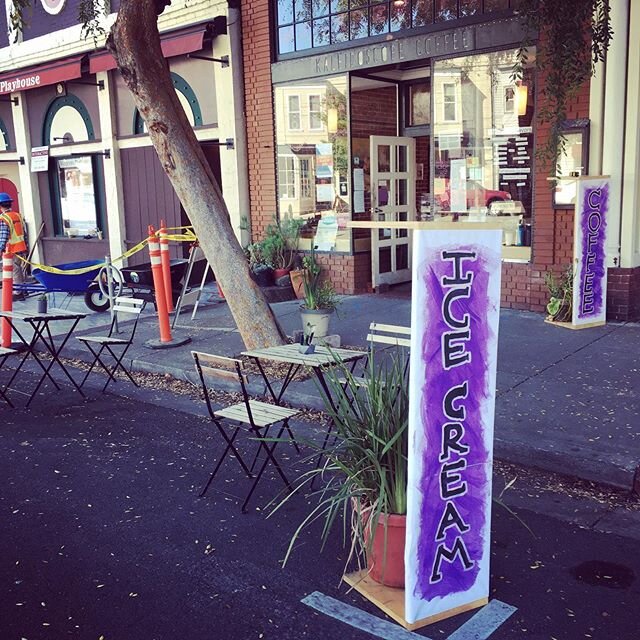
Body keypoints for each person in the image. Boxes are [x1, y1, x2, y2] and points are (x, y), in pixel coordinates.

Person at [0, 193, 28, 297]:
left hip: (12, 248)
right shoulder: (17, 215)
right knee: (19, 268)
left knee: (14, 270)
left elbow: (3, 236)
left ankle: (18, 292)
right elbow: (24, 232)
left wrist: (0, 248)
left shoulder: (3, 218)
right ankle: (23, 289)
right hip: (21, 246)